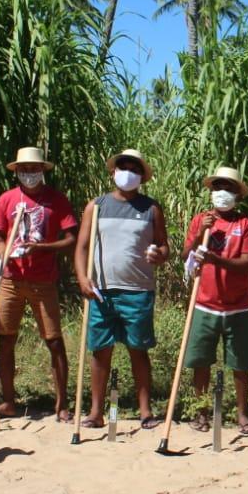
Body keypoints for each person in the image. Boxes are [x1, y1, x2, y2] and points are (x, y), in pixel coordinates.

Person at [74, 149, 169, 429]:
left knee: (137, 349)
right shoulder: (97, 206)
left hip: (138, 290)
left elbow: (164, 246)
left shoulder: (151, 208)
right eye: (123, 166)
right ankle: (96, 413)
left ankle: (145, 411)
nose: (128, 172)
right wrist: (82, 278)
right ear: (113, 172)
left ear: (142, 177)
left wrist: (160, 255)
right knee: (100, 351)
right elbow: (81, 247)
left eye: (134, 169)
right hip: (101, 290)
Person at [0, 146, 78, 421]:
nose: (29, 173)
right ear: (16, 171)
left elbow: (70, 239)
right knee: (6, 339)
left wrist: (42, 248)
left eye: (34, 168)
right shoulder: (7, 199)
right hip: (10, 279)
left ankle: (62, 403)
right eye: (24, 169)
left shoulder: (56, 200)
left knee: (54, 341)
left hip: (43, 282)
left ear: (42, 170)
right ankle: (8, 401)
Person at [181, 167, 248, 435]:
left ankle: (241, 414)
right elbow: (186, 255)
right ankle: (201, 412)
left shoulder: (245, 224)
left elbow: (246, 263)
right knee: (200, 362)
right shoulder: (201, 220)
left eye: (228, 188)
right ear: (211, 192)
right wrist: (196, 235)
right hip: (204, 303)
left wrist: (217, 260)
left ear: (237, 194)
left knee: (239, 363)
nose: (222, 193)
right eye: (217, 187)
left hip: (238, 305)